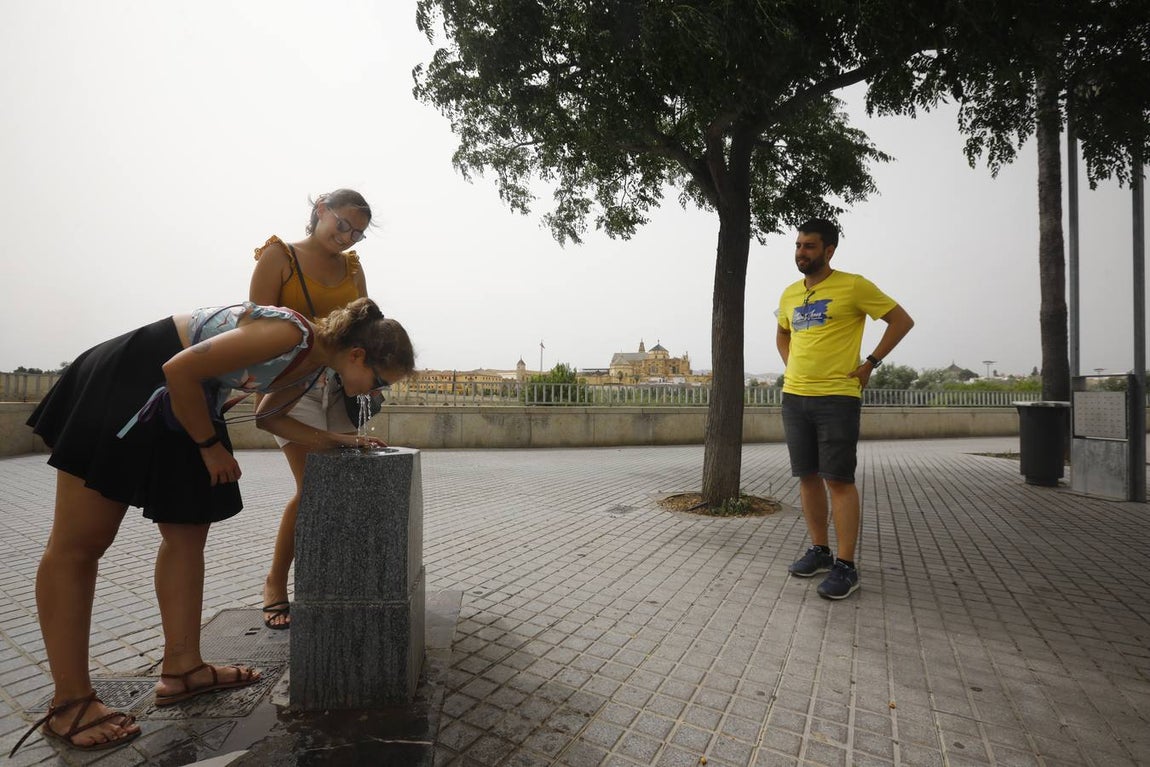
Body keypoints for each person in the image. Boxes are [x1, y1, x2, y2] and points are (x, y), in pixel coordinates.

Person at [12, 298, 414, 756]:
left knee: (188, 529)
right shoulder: (291, 334)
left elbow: (269, 416)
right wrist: (208, 446)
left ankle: (183, 668)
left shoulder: (311, 365)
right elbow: (177, 369)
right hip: (135, 380)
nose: (375, 392)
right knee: (82, 543)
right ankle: (69, 704)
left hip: (191, 401)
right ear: (358, 355)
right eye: (380, 382)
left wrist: (337, 440)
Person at [248, 189, 374, 630]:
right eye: (343, 224)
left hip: (337, 389)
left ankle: (328, 579)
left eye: (358, 233)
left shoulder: (353, 268)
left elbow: (364, 326)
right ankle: (275, 583)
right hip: (291, 387)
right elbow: (254, 327)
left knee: (334, 486)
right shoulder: (279, 256)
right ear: (320, 210)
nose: (348, 237)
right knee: (313, 486)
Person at [776, 218, 914, 600]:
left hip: (837, 397)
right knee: (807, 476)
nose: (801, 252)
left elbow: (901, 320)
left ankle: (846, 566)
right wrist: (794, 366)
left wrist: (871, 362)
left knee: (838, 479)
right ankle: (820, 551)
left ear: (829, 250)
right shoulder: (789, 293)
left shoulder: (853, 286)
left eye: (810, 246)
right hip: (794, 396)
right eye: (798, 245)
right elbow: (783, 332)